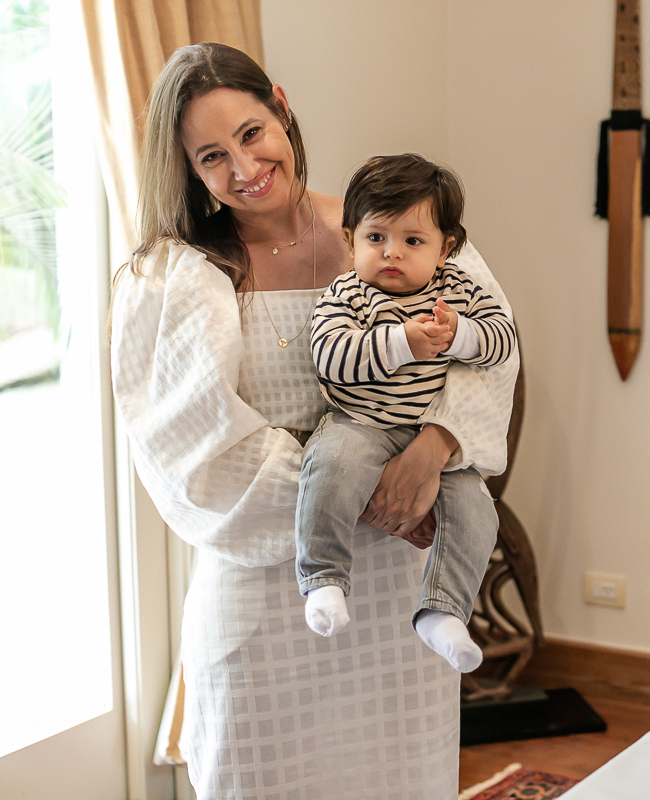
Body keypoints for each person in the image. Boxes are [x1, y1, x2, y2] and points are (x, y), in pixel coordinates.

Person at [109, 42, 517, 800]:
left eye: (252, 133)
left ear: (283, 110)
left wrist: (434, 447)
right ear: (190, 172)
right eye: (211, 156)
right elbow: (197, 451)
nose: (243, 168)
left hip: (402, 594)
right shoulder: (174, 279)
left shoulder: (397, 232)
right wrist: (370, 494)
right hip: (266, 602)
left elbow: (488, 354)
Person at [298, 154, 516, 678]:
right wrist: (403, 343)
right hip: (362, 424)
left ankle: (443, 611)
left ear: (447, 249)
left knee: (478, 512)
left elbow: (503, 342)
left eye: (412, 241)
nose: (392, 253)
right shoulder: (346, 295)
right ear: (351, 240)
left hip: (430, 436)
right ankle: (324, 576)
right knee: (330, 466)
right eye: (377, 238)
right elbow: (330, 356)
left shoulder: (459, 293)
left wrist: (461, 334)